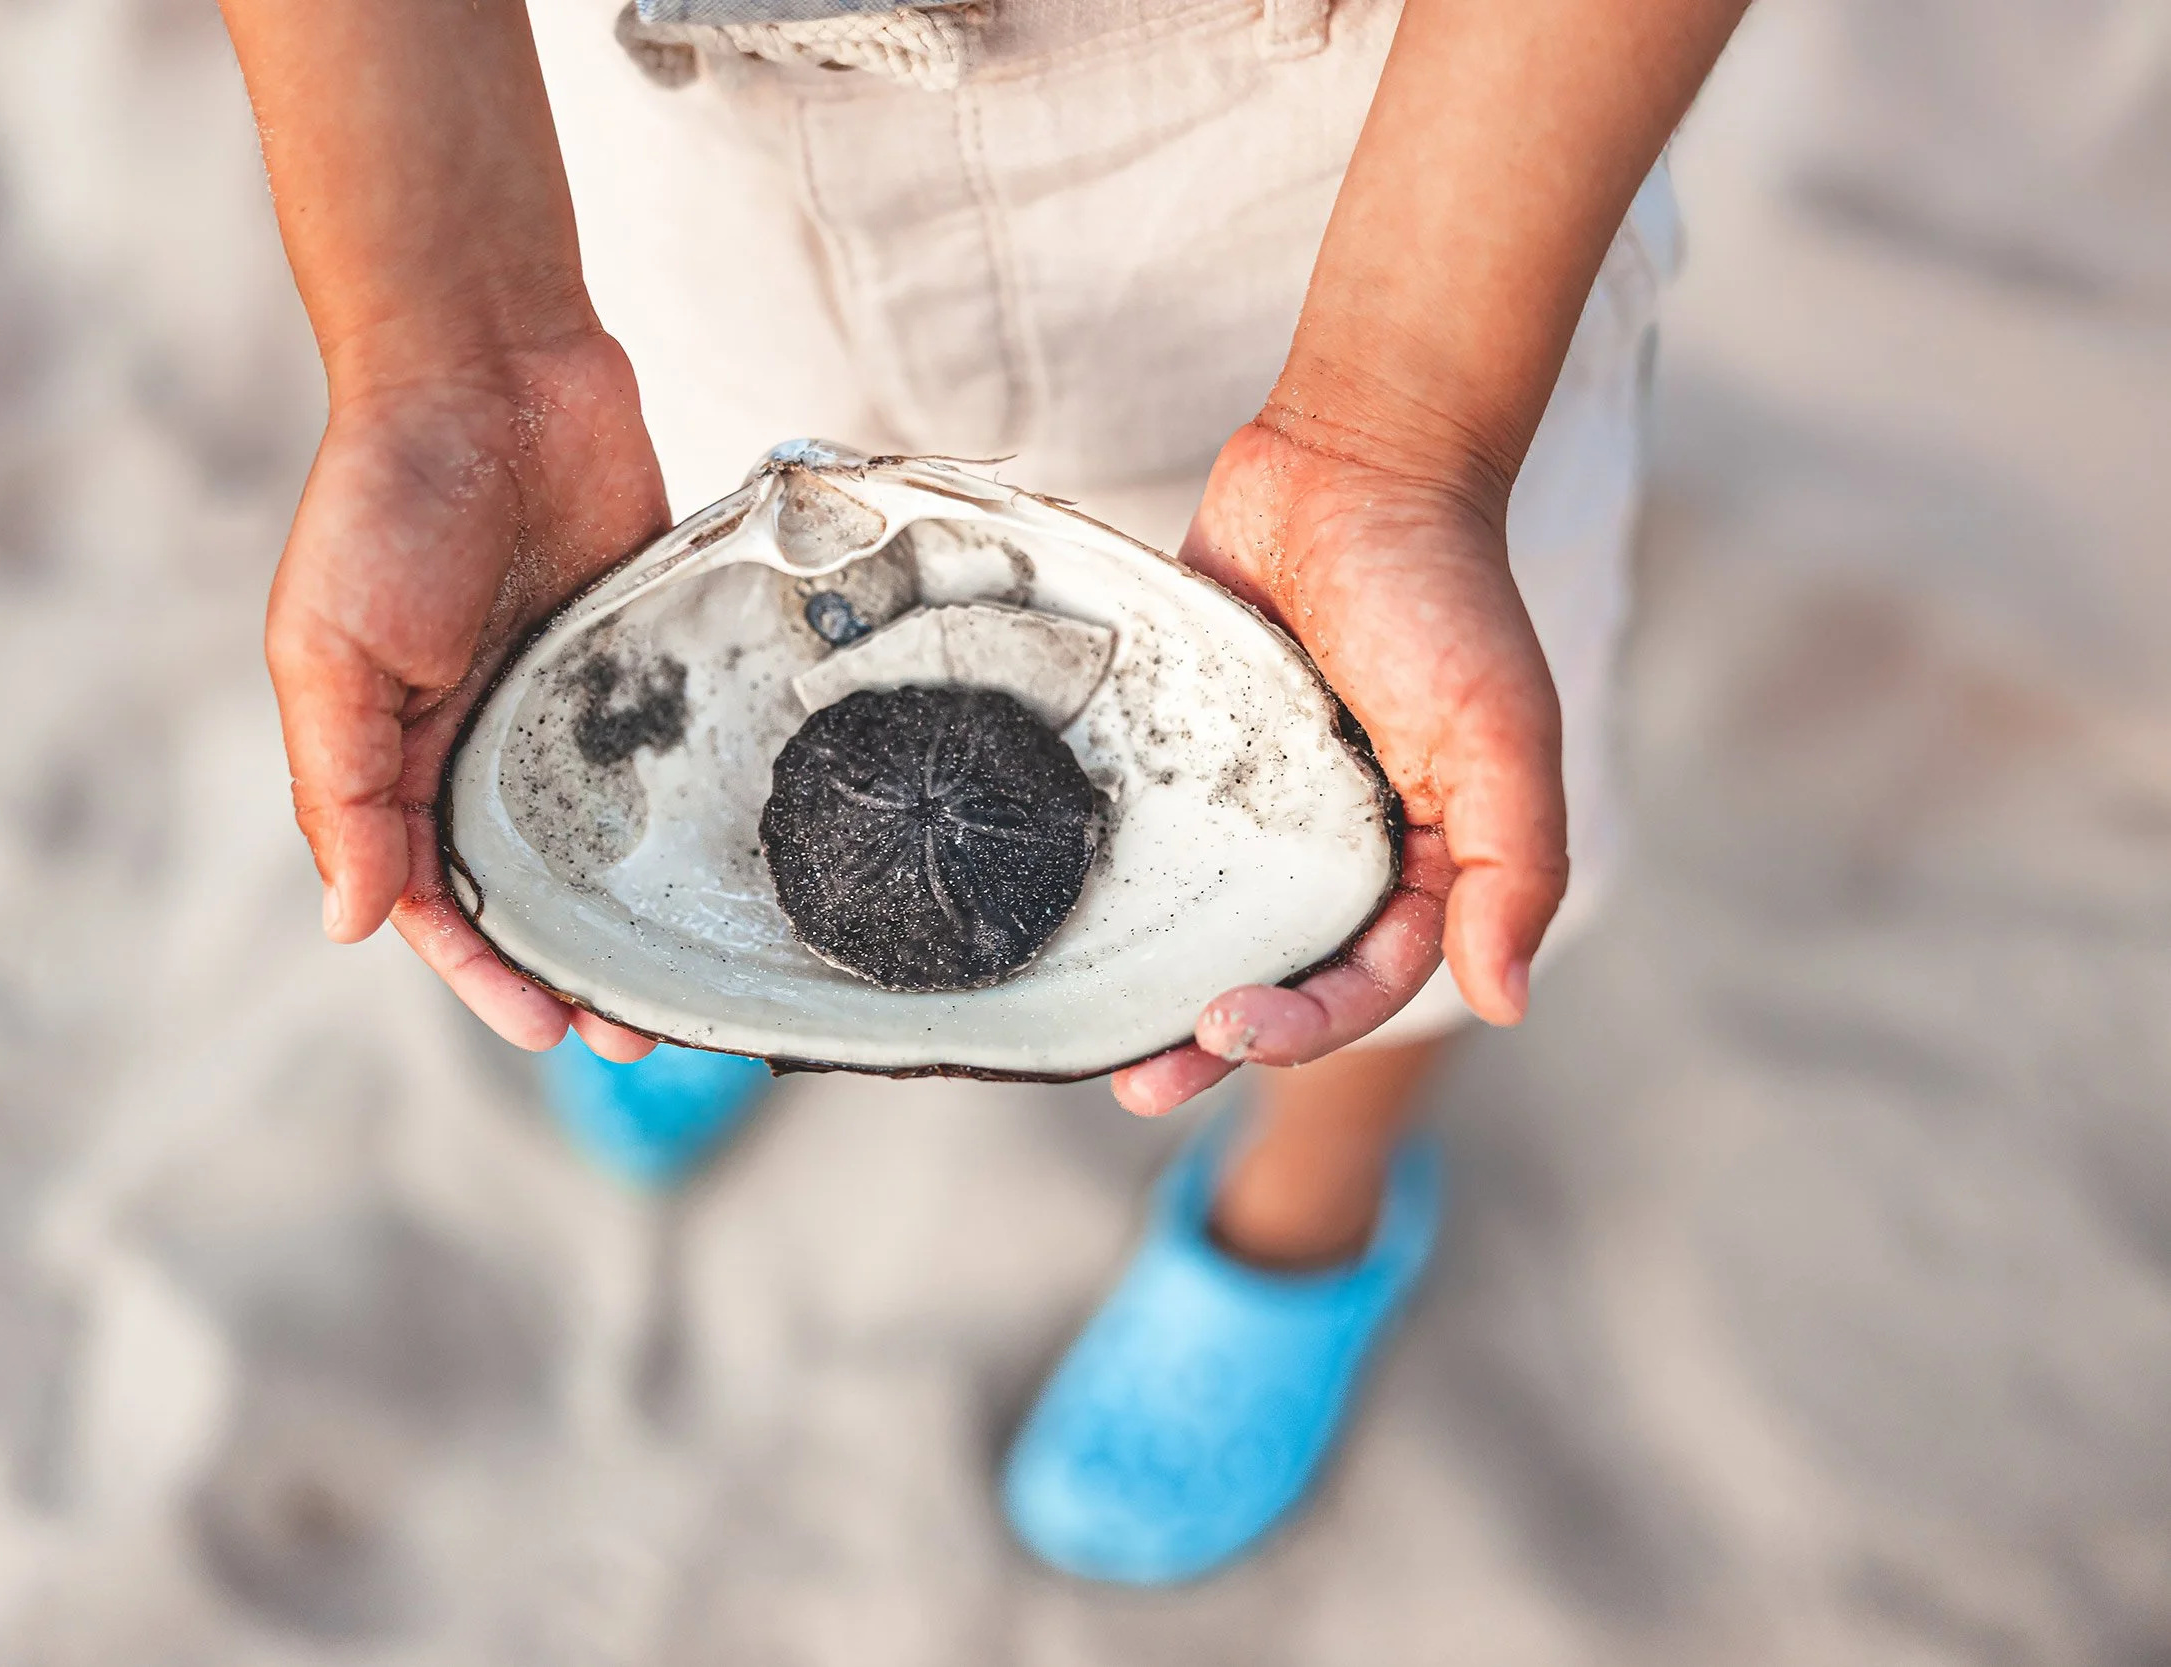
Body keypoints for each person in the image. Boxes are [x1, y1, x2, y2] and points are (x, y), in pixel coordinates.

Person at [220, 0, 1744, 1584]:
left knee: (1375, 840)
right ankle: (697, 963)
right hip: (678, 143)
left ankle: (1311, 1198)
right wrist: (448, 340)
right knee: (708, 560)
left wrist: (1411, 431)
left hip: (1378, 200)